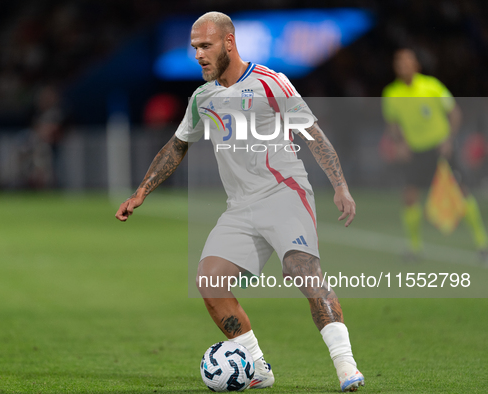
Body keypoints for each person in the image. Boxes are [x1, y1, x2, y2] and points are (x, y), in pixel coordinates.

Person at [116, 12, 364, 392]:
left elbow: (312, 133)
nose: (198, 54)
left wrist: (340, 186)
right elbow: (178, 144)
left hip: (284, 194)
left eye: (206, 46)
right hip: (240, 206)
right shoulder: (203, 97)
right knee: (209, 281)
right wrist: (142, 191)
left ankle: (346, 366)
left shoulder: (271, 82)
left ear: (228, 42)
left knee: (303, 271)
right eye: (195, 47)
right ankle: (258, 367)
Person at [382, 48, 488, 261]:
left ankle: (482, 243)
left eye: (407, 61)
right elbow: (393, 124)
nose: (403, 65)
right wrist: (399, 143)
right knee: (410, 195)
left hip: (440, 149)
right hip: (416, 152)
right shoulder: (391, 93)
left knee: (461, 191)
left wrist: (449, 140)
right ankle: (414, 248)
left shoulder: (431, 86)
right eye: (399, 62)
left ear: (416, 65)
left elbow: (454, 112)